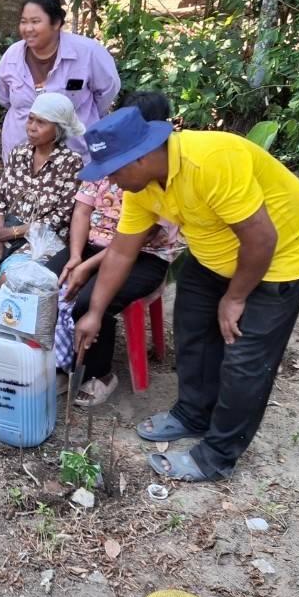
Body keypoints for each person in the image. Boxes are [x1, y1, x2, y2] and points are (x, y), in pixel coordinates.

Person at [73, 106, 299, 482]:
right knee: (192, 329)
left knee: (245, 359)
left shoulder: (210, 161)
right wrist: (95, 312)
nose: (110, 181)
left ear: (141, 158)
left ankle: (217, 455)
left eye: (113, 171)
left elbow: (262, 239)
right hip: (214, 253)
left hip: (281, 256)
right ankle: (192, 413)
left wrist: (236, 297)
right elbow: (123, 251)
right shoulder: (142, 186)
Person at [54, 92, 183, 406]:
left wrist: (88, 266)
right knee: (42, 280)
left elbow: (133, 243)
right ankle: (58, 358)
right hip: (93, 246)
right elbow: (82, 211)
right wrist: (75, 255)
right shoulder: (106, 159)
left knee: (88, 300)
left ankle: (99, 374)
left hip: (144, 257)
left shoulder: (159, 171)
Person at [0, 0, 120, 159]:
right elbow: (5, 97)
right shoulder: (12, 56)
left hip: (75, 155)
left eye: (36, 21)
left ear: (56, 23)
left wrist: (76, 116)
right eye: (24, 21)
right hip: (20, 158)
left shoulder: (88, 53)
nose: (28, 28)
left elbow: (107, 91)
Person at [0, 92, 86, 271]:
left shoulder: (71, 162)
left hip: (44, 238)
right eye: (30, 119)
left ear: (58, 129)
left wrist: (10, 233)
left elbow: (59, 218)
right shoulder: (19, 153)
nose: (32, 127)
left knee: (13, 274)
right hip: (7, 228)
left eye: (41, 122)